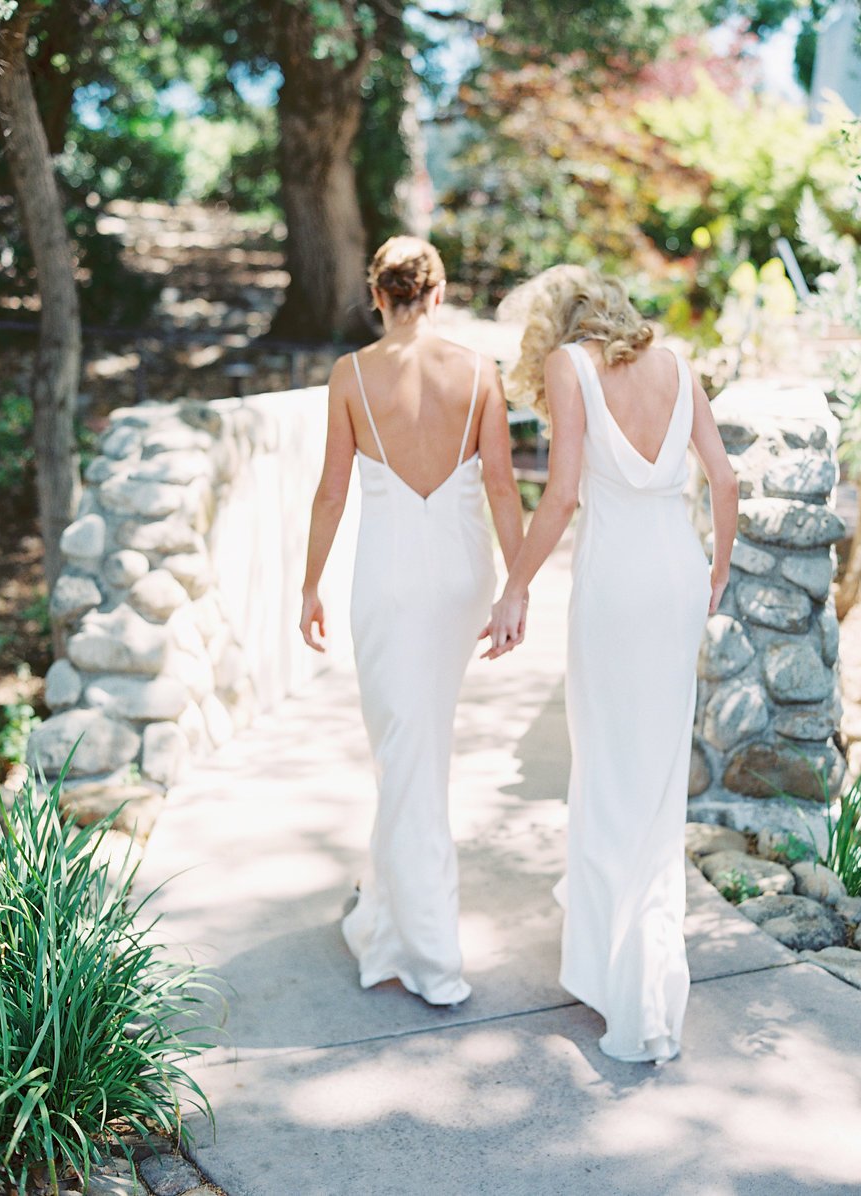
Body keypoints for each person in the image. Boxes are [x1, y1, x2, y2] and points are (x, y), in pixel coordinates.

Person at [485, 265, 738, 1062]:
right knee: (657, 780)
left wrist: (513, 586)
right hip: (675, 576)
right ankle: (647, 975)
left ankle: (614, 974)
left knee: (606, 767)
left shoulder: (571, 365)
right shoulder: (678, 364)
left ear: (561, 320)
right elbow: (724, 480)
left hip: (614, 582)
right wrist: (718, 568)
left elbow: (560, 497)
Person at [301, 236, 524, 1006]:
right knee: (412, 750)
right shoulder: (477, 370)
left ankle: (428, 955)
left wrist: (308, 586)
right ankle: (387, 911)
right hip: (462, 574)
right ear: (436, 294)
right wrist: (516, 587)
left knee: (406, 754)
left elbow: (332, 492)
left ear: (377, 294)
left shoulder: (351, 374)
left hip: (390, 580)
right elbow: (501, 485)